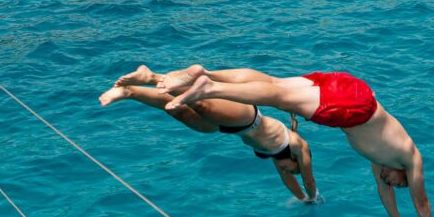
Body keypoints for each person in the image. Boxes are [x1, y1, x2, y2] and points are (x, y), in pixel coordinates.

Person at [159, 65, 434, 217]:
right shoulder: (410, 158)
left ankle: (204, 73)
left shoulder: (382, 161)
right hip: (353, 108)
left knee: (274, 83)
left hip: (352, 90)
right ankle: (210, 88)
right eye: (401, 184)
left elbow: (383, 190)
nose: (396, 185)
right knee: (278, 97)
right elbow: (421, 198)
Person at [100, 65, 319, 202]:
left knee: (180, 112)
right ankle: (151, 77)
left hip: (226, 129)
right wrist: (313, 197)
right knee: (201, 102)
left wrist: (301, 200)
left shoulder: (276, 158)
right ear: (295, 161)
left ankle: (129, 92)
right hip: (247, 118)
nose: (288, 171)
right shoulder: (297, 144)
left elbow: (289, 182)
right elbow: (308, 179)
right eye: (292, 170)